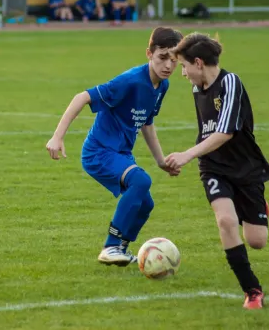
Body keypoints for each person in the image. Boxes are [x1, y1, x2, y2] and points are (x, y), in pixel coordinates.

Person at [46, 27, 184, 266]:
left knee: (145, 203)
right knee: (140, 181)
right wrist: (57, 137)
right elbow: (82, 96)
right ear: (148, 53)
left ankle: (120, 248)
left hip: (120, 153)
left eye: (174, 60)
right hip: (99, 152)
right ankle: (110, 246)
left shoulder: (162, 86)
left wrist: (161, 160)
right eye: (162, 58)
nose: (168, 66)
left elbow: (147, 122)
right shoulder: (130, 81)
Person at [165, 33, 269, 310]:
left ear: (198, 63)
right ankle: (252, 291)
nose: (184, 74)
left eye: (184, 67)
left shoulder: (230, 83)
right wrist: (196, 157)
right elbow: (207, 131)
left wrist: (187, 154)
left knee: (257, 241)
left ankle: (254, 206)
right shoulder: (196, 89)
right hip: (214, 167)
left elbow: (225, 131)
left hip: (246, 168)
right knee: (225, 222)